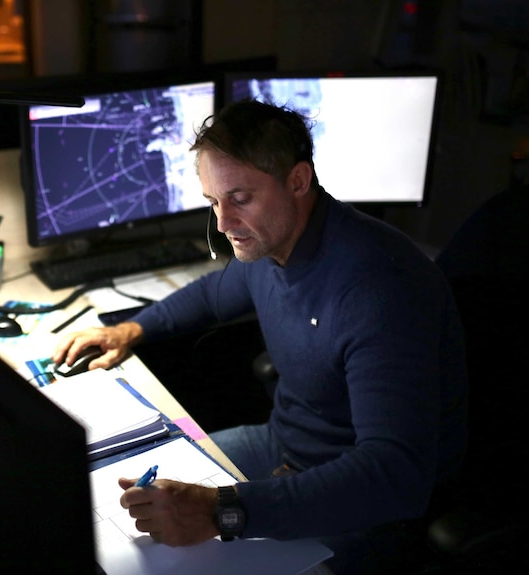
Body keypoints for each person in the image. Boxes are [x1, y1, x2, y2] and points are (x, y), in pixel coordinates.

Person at [52, 99, 468, 574]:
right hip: (283, 447)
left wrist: (221, 511)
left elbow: (395, 476)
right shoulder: (272, 242)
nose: (223, 222)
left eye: (240, 198)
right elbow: (214, 294)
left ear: (298, 180)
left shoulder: (377, 288)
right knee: (109, 516)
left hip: (367, 505)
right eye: (213, 201)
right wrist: (129, 329)